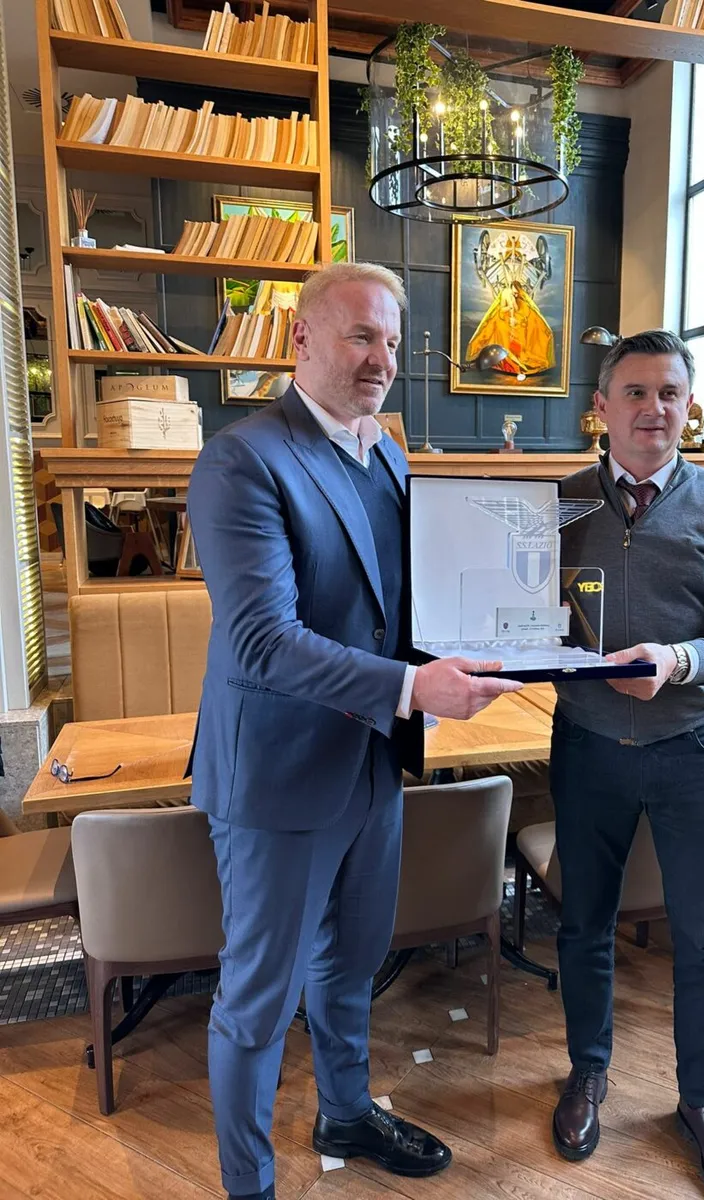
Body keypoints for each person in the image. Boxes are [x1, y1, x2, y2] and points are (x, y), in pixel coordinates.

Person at [186, 261, 521, 1200]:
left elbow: (396, 607)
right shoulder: (243, 458)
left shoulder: (389, 455)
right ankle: (249, 1184)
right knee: (258, 999)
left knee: (353, 961)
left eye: (392, 341)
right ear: (302, 338)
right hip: (280, 776)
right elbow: (262, 641)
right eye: (361, 335)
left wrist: (497, 641)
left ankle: (344, 1109)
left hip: (372, 761)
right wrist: (413, 687)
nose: (381, 359)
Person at [549, 330, 704, 1200]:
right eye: (636, 393)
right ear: (601, 408)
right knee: (583, 925)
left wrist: (678, 662)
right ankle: (588, 1072)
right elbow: (515, 617)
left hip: (695, 751)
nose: (654, 409)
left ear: (690, 406)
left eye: (670, 393)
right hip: (587, 747)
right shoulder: (557, 505)